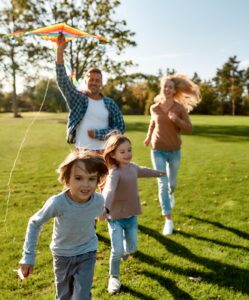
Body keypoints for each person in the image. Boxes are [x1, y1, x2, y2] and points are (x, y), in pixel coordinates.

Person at [18, 150, 108, 300]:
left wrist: (104, 214)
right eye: (79, 178)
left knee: (82, 296)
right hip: (62, 256)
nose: (86, 185)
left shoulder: (98, 200)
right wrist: (28, 256)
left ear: (98, 180)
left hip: (87, 253)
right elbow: (35, 223)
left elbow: (99, 213)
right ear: (67, 179)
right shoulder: (58, 203)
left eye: (91, 179)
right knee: (64, 296)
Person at [102, 134, 165, 294]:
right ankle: (114, 277)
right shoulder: (114, 173)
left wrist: (159, 173)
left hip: (131, 217)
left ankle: (125, 247)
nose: (127, 154)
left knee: (132, 248)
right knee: (116, 251)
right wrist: (105, 208)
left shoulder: (133, 167)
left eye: (129, 150)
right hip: (115, 218)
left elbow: (144, 171)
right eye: (122, 151)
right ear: (113, 154)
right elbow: (108, 191)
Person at [144, 74, 200, 236]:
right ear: (161, 89)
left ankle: (172, 193)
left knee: (171, 183)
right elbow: (153, 123)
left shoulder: (179, 108)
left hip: (174, 151)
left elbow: (189, 128)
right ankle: (168, 219)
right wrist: (148, 137)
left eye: (170, 87)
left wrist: (177, 120)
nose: (167, 89)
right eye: (165, 86)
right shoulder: (154, 108)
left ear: (174, 91)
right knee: (162, 183)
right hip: (157, 150)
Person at [56, 34, 125, 152]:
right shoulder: (77, 98)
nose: (94, 82)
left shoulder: (109, 103)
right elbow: (62, 80)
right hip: (82, 152)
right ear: (85, 81)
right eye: (91, 80)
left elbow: (120, 127)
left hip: (105, 153)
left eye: (97, 80)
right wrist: (60, 50)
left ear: (101, 83)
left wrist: (99, 134)